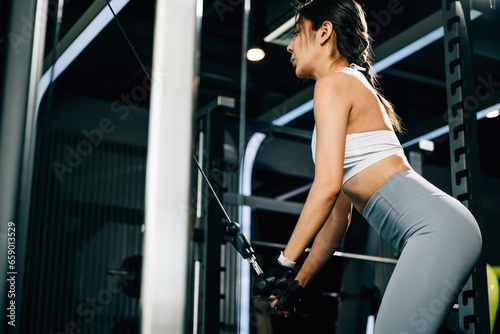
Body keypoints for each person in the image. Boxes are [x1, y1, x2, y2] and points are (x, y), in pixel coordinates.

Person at [252, 0, 483, 333]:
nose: (288, 45)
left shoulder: (333, 83)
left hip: (437, 229)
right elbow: (336, 221)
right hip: (441, 229)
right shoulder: (343, 86)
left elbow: (327, 185)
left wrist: (283, 261)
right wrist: (297, 282)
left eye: (297, 32)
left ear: (324, 32)